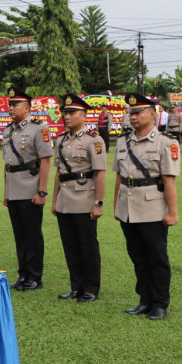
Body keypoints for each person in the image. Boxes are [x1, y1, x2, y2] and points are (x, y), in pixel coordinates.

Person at [114, 93, 179, 321]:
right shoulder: (123, 142)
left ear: (153, 113)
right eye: (130, 113)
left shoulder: (165, 142)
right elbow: (120, 177)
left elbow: (169, 180)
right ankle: (145, 300)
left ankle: (160, 303)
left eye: (138, 112)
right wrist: (116, 206)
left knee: (156, 257)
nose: (133, 117)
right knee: (138, 257)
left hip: (152, 208)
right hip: (128, 208)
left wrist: (172, 212)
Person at [51, 94, 106, 303]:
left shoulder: (94, 139)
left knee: (87, 246)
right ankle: (76, 287)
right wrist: (55, 199)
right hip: (65, 198)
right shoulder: (61, 139)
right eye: (66, 113)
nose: (68, 117)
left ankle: (90, 288)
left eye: (73, 113)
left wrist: (98, 202)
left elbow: (100, 172)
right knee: (70, 245)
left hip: (84, 198)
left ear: (84, 115)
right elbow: (59, 173)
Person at [3, 86, 52, 291]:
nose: (11, 108)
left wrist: (41, 191)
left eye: (15, 104)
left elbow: (45, 161)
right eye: (10, 104)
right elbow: (8, 164)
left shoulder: (38, 128)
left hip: (30, 188)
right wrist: (6, 193)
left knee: (32, 234)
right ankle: (23, 274)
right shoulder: (8, 130)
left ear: (27, 107)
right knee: (19, 235)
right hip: (14, 188)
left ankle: (34, 276)